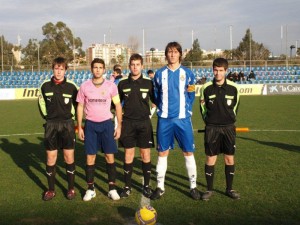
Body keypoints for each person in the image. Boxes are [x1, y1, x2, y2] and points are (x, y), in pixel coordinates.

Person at [150, 41, 200, 200]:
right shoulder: (159, 74)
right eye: (169, 52)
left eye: (175, 52)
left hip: (183, 120)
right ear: (166, 54)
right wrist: (161, 109)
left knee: (188, 152)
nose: (172, 54)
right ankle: (160, 187)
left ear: (180, 54)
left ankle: (193, 187)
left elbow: (191, 94)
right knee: (162, 152)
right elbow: (156, 95)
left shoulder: (188, 73)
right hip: (164, 120)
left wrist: (187, 110)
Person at [76, 58, 122, 201]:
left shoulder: (111, 86)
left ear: (104, 70)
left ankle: (112, 188)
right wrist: (79, 126)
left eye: (100, 67)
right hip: (90, 125)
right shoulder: (84, 86)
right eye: (95, 67)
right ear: (91, 69)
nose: (97, 70)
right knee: (90, 157)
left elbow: (118, 106)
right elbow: (80, 107)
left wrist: (119, 125)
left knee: (109, 156)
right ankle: (90, 189)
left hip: (107, 125)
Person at [199, 57, 240, 201]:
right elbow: (203, 109)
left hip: (228, 128)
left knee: (229, 158)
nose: (218, 73)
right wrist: (210, 122)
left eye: (221, 70)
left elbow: (235, 108)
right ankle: (209, 190)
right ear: (212, 70)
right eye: (215, 70)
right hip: (212, 129)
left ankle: (230, 189)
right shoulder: (206, 88)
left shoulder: (234, 88)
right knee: (211, 158)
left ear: (226, 71)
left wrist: (228, 120)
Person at [38, 57, 78, 201]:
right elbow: (41, 104)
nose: (59, 71)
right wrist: (48, 118)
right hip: (51, 125)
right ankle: (51, 190)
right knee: (50, 158)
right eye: (56, 68)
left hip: (67, 125)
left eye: (61, 69)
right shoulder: (45, 86)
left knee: (69, 157)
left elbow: (79, 105)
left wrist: (74, 119)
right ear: (53, 69)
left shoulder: (72, 86)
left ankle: (71, 189)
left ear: (65, 70)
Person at [118, 53, 156, 198]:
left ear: (142, 66)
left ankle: (146, 186)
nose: (135, 67)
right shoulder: (122, 83)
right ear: (129, 66)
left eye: (137, 64)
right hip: (127, 123)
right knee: (128, 154)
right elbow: (117, 104)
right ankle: (127, 187)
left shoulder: (148, 83)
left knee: (145, 153)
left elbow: (156, 100)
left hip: (144, 123)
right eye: (132, 64)